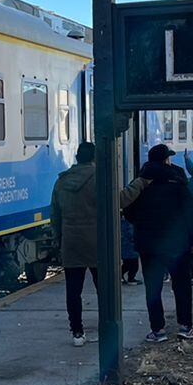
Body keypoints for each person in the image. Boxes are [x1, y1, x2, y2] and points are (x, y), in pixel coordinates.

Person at [50, 142, 147, 346]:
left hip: (72, 241)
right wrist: (139, 183)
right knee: (104, 288)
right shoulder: (100, 178)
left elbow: (55, 216)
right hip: (97, 242)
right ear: (94, 157)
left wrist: (60, 239)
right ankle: (107, 328)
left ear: (77, 157)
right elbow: (119, 200)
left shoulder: (61, 181)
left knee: (73, 291)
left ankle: (77, 332)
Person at [126, 144, 193, 341]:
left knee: (153, 288)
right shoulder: (177, 182)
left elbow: (129, 212)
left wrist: (143, 225)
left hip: (149, 245)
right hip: (177, 244)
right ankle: (186, 326)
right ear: (166, 160)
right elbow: (191, 215)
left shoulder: (141, 184)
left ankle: (158, 330)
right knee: (181, 285)